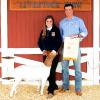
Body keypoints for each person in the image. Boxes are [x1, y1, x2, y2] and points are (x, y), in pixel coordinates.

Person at [59, 3, 88, 96]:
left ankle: (78, 89)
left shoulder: (79, 21)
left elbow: (85, 32)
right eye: (66, 10)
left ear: (72, 10)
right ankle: (65, 86)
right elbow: (60, 36)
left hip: (75, 46)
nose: (68, 11)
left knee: (78, 68)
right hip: (65, 47)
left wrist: (76, 37)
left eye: (69, 9)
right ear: (64, 11)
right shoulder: (62, 22)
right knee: (64, 68)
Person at [38, 15, 62, 98]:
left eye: (50, 21)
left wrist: (55, 50)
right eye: (47, 21)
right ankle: (54, 85)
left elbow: (59, 41)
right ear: (45, 22)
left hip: (54, 54)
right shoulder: (43, 31)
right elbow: (39, 42)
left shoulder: (56, 30)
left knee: (51, 71)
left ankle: (50, 91)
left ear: (53, 22)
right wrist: (43, 50)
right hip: (46, 55)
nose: (49, 23)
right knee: (47, 72)